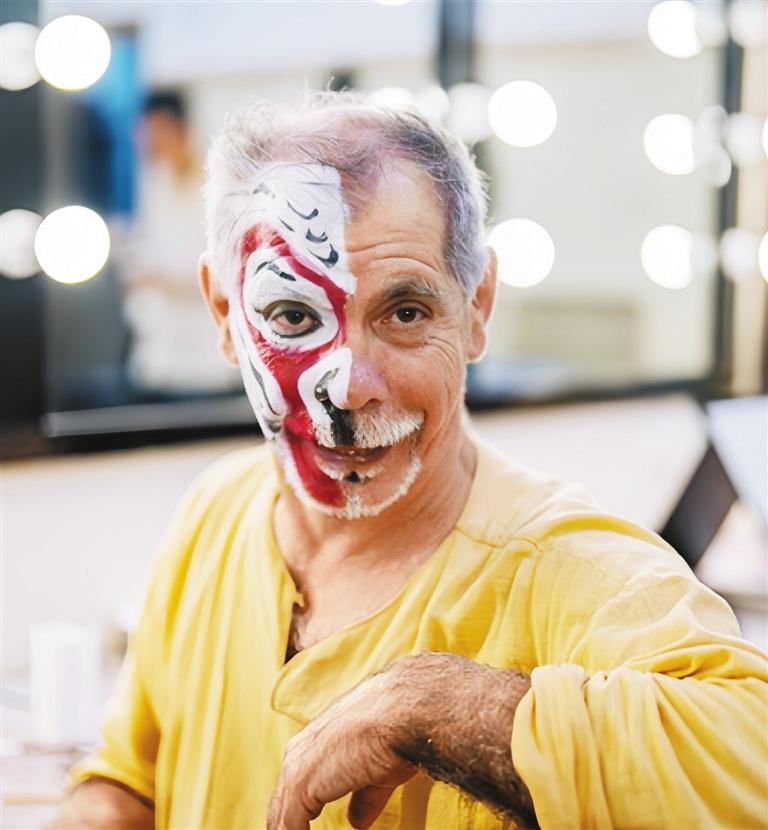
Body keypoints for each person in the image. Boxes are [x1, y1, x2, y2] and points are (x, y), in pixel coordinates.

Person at [55, 93, 766, 829]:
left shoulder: (571, 572)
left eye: (405, 313)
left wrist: (443, 709)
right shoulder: (217, 509)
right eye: (293, 317)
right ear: (225, 315)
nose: (348, 387)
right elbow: (128, 779)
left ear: (477, 307)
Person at [119, 90, 240, 396]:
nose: (152, 148)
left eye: (158, 137)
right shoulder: (156, 181)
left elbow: (227, 269)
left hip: (211, 359)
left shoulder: (221, 185)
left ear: (181, 130)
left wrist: (161, 276)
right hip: (161, 355)